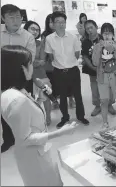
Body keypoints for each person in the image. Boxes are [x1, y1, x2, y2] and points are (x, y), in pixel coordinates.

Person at [1, 45, 78, 186]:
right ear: (21, 69)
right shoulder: (17, 100)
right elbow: (25, 138)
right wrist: (61, 132)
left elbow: (28, 117)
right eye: (30, 63)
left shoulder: (14, 91)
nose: (32, 67)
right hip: (34, 159)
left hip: (38, 153)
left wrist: (40, 99)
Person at [45, 11, 89, 128]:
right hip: (58, 72)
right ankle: (65, 117)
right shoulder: (49, 39)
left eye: (63, 22)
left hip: (73, 70)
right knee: (62, 96)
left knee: (77, 95)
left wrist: (69, 64)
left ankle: (81, 116)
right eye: (57, 22)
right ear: (53, 24)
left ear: (65, 23)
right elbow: (50, 56)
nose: (61, 24)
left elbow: (77, 53)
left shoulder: (73, 37)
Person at [92, 23, 116, 128]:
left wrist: (113, 49)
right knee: (103, 101)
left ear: (113, 34)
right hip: (102, 77)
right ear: (101, 34)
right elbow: (95, 63)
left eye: (109, 32)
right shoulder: (97, 46)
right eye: (104, 33)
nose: (107, 35)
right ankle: (105, 122)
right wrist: (100, 48)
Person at [81, 20, 116, 117]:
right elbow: (85, 56)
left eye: (91, 27)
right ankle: (97, 106)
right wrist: (92, 67)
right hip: (92, 70)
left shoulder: (103, 38)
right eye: (87, 28)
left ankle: (110, 105)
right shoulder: (85, 42)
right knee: (95, 89)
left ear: (96, 27)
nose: (89, 30)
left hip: (106, 70)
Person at [1, 4, 36, 95]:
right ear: (3, 18)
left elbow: (30, 61)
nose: (15, 20)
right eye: (11, 17)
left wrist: (28, 77)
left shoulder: (28, 37)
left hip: (21, 79)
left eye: (18, 17)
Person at [42, 14, 75, 109]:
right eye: (51, 22)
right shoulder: (45, 36)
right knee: (52, 85)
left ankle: (71, 99)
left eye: (55, 21)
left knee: (68, 83)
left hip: (64, 64)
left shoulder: (65, 34)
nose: (53, 24)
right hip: (50, 66)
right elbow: (45, 52)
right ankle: (54, 101)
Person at [23, 21, 52, 126]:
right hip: (26, 76)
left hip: (41, 75)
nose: (35, 31)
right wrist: (34, 62)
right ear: (26, 29)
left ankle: (48, 117)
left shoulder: (41, 44)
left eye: (37, 29)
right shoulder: (21, 43)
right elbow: (21, 61)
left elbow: (42, 61)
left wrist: (28, 62)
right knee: (29, 100)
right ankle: (33, 120)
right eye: (32, 29)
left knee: (46, 98)